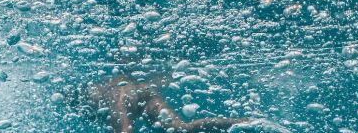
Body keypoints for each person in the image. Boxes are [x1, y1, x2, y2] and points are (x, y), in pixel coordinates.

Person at [68, 74, 250, 133]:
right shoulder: (102, 91)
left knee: (124, 130)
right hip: (142, 92)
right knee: (180, 128)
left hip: (123, 94)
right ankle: (247, 122)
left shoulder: (107, 92)